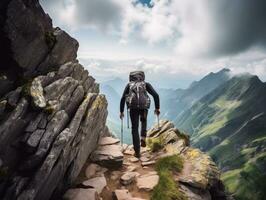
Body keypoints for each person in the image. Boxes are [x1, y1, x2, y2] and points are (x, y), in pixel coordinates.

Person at [120, 71, 160, 158]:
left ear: (131, 77)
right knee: (143, 121)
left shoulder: (129, 85)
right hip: (144, 107)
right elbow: (156, 95)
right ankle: (143, 138)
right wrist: (157, 108)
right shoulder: (146, 84)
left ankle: (137, 152)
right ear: (142, 77)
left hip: (133, 108)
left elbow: (123, 98)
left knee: (134, 128)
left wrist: (121, 111)